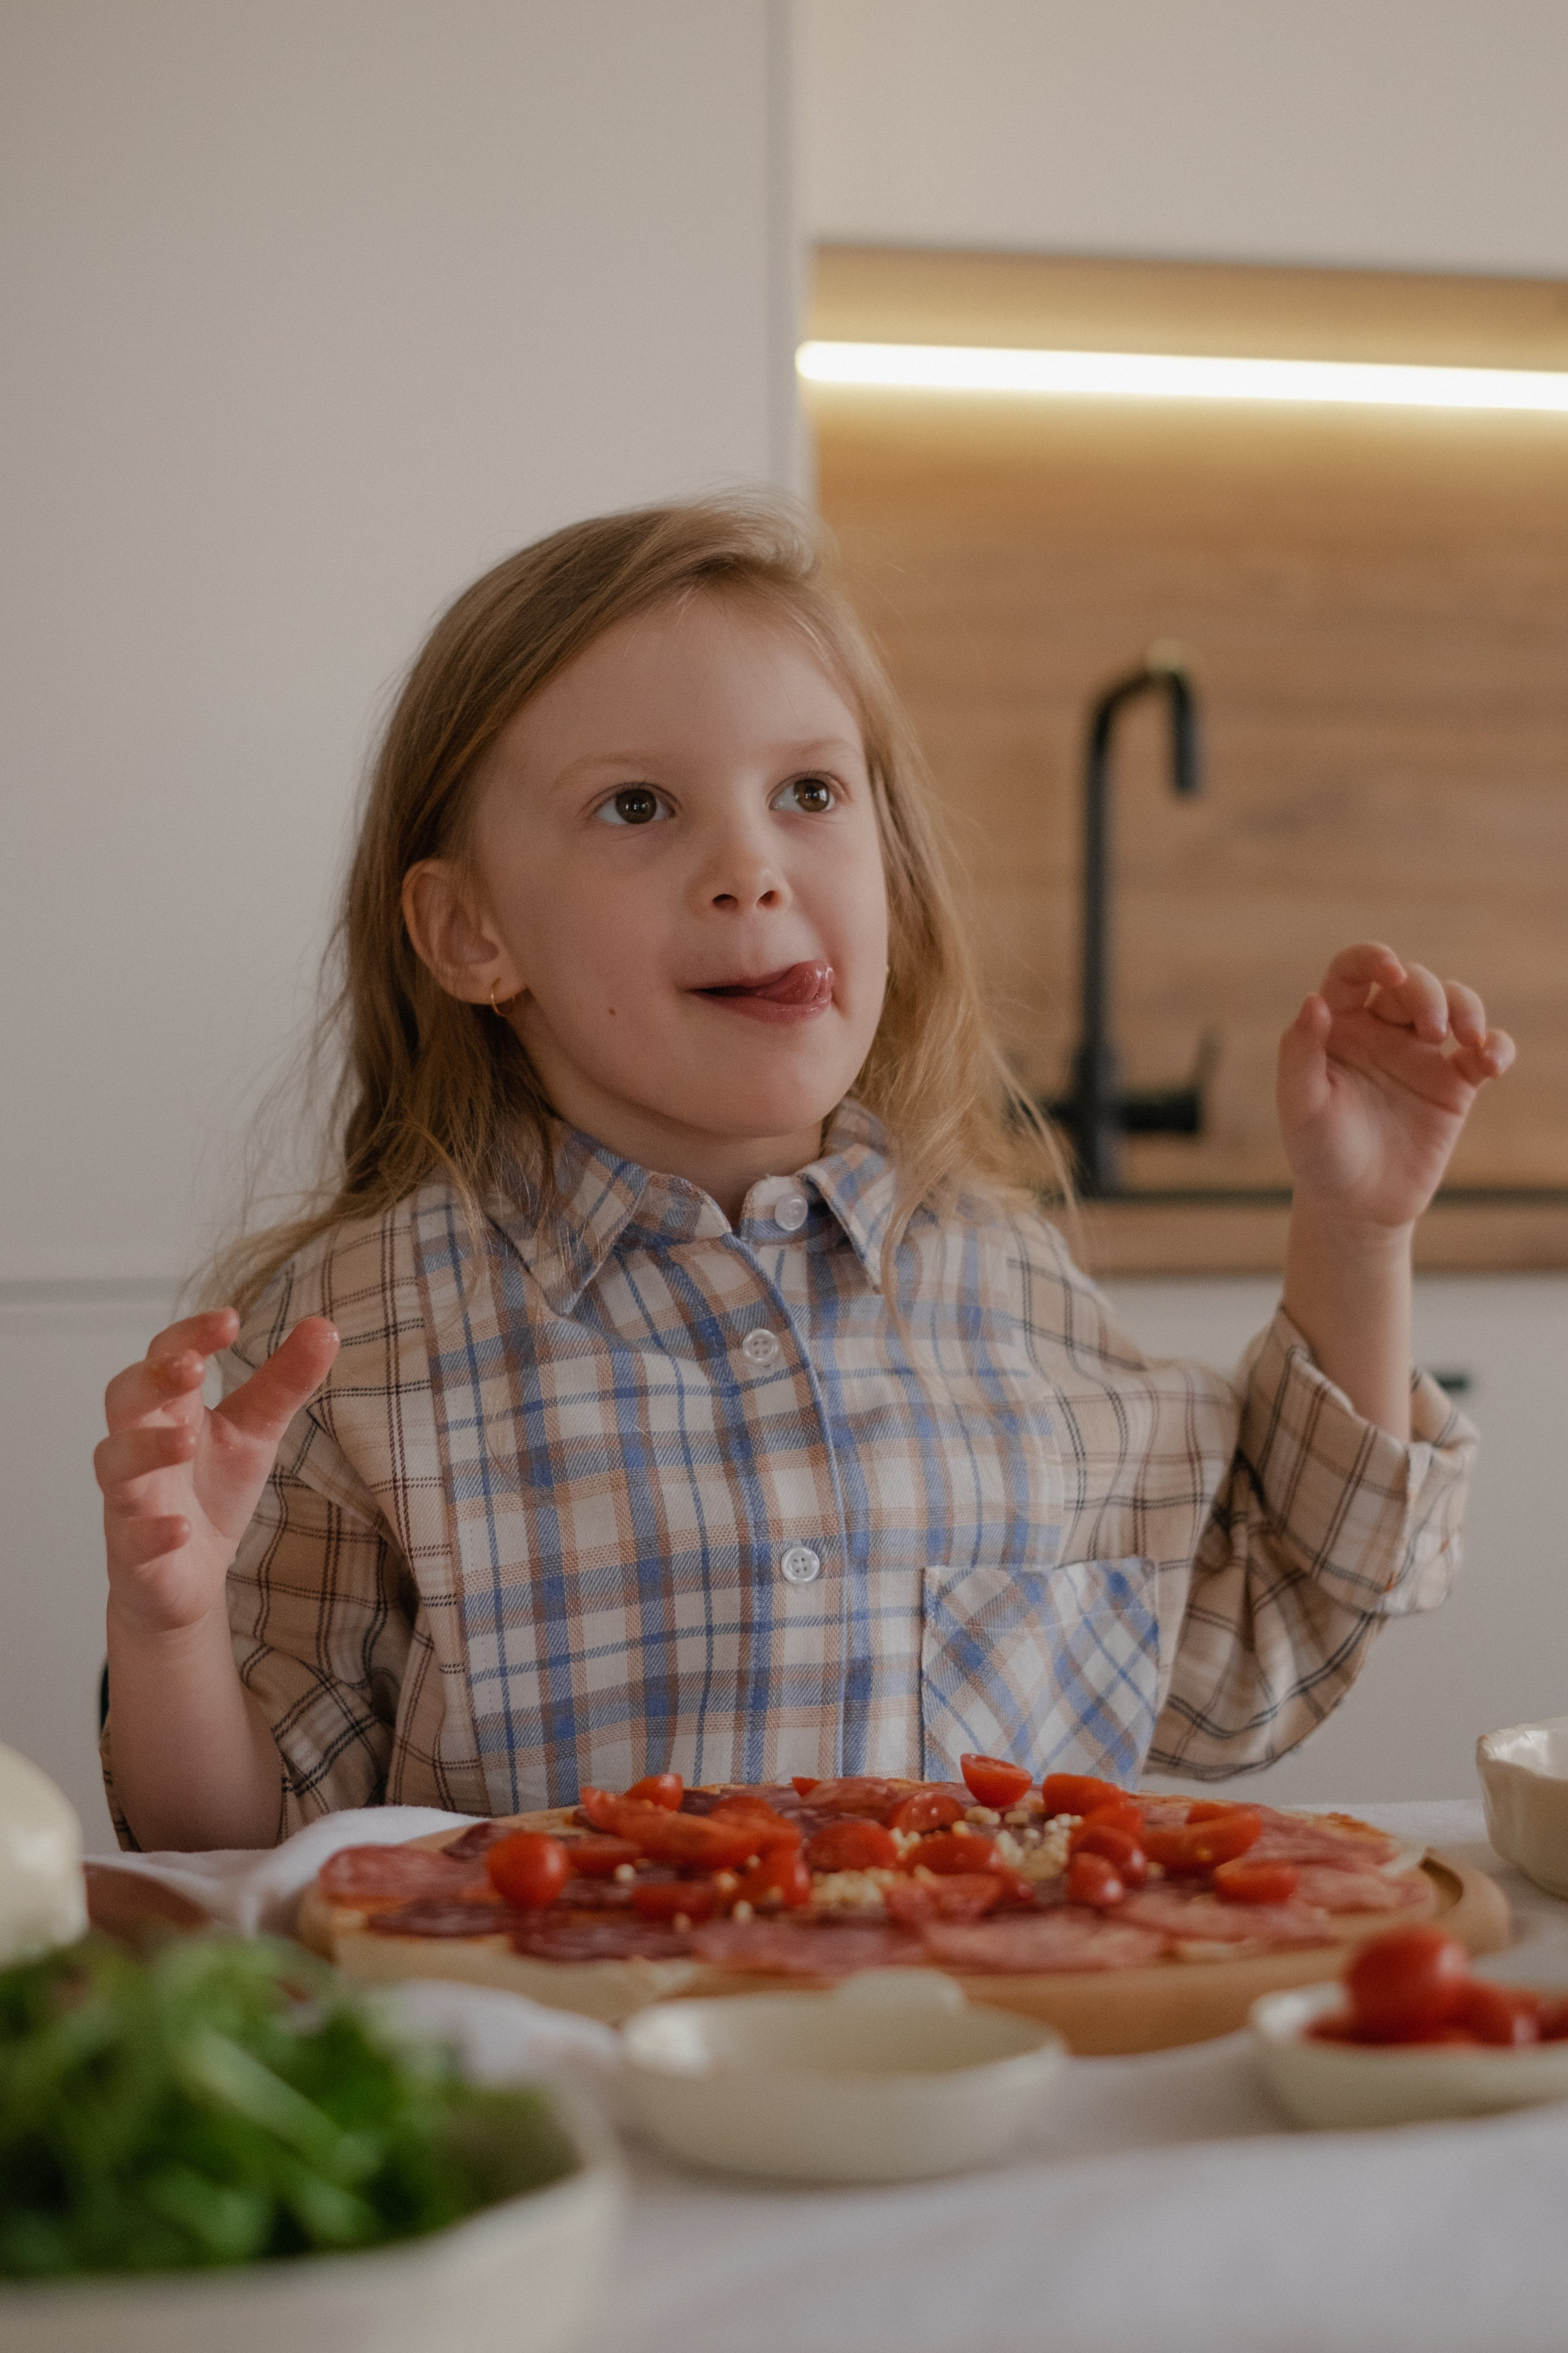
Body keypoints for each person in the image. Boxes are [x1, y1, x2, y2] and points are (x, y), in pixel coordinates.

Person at [94, 499, 1512, 1853]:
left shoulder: (999, 1271)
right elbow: (238, 1844)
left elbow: (1259, 1625)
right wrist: (169, 1626)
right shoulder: (352, 1337)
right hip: (557, 2089)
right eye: (638, 804)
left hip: (980, 2072)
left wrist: (1353, 1225)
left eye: (809, 791)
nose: (750, 867)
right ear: (468, 932)